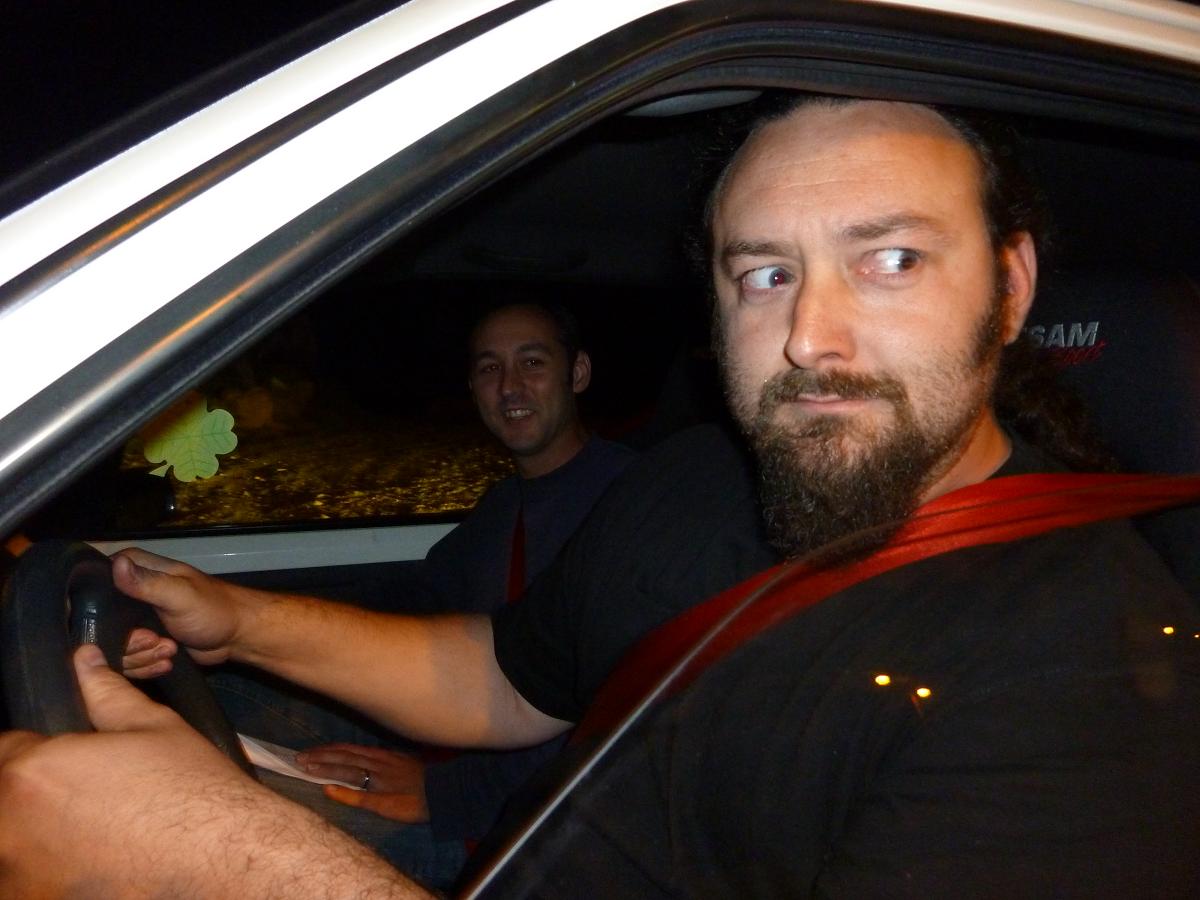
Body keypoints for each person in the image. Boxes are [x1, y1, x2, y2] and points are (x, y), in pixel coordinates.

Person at [1, 96, 1197, 897]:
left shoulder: (1097, 672)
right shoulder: (699, 479)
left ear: (1010, 286)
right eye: (765, 274)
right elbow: (502, 679)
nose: (809, 337)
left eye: (891, 260)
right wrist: (239, 618)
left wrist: (221, 861)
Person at [214, 300, 635, 887]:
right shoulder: (505, 508)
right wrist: (240, 611)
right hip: (453, 740)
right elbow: (414, 597)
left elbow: (615, 719)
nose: (510, 385)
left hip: (515, 821)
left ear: (578, 373)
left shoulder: (627, 505)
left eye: (532, 362)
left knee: (224, 824)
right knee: (223, 689)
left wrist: (443, 791)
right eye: (489, 368)